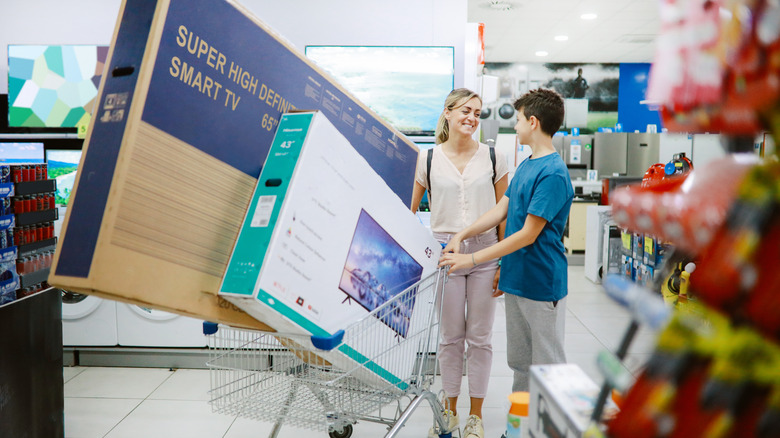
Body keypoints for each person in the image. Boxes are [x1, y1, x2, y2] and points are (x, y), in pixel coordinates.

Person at [439, 88, 574, 395]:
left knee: (548, 364)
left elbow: (527, 233)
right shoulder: (527, 164)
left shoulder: (552, 173)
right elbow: (502, 209)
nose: (514, 125)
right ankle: (519, 427)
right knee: (521, 362)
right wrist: (462, 235)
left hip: (542, 282)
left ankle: (550, 428)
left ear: (533, 122)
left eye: (517, 119)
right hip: (517, 279)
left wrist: (472, 259)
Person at [410, 88, 508, 438]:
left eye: (478, 113)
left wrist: (502, 262)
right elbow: (411, 213)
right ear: (448, 113)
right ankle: (449, 411)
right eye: (465, 110)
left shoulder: (494, 157)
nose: (471, 117)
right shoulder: (429, 159)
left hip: (484, 253)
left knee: (480, 338)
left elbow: (503, 215)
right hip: (445, 255)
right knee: (451, 337)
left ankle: (476, 416)